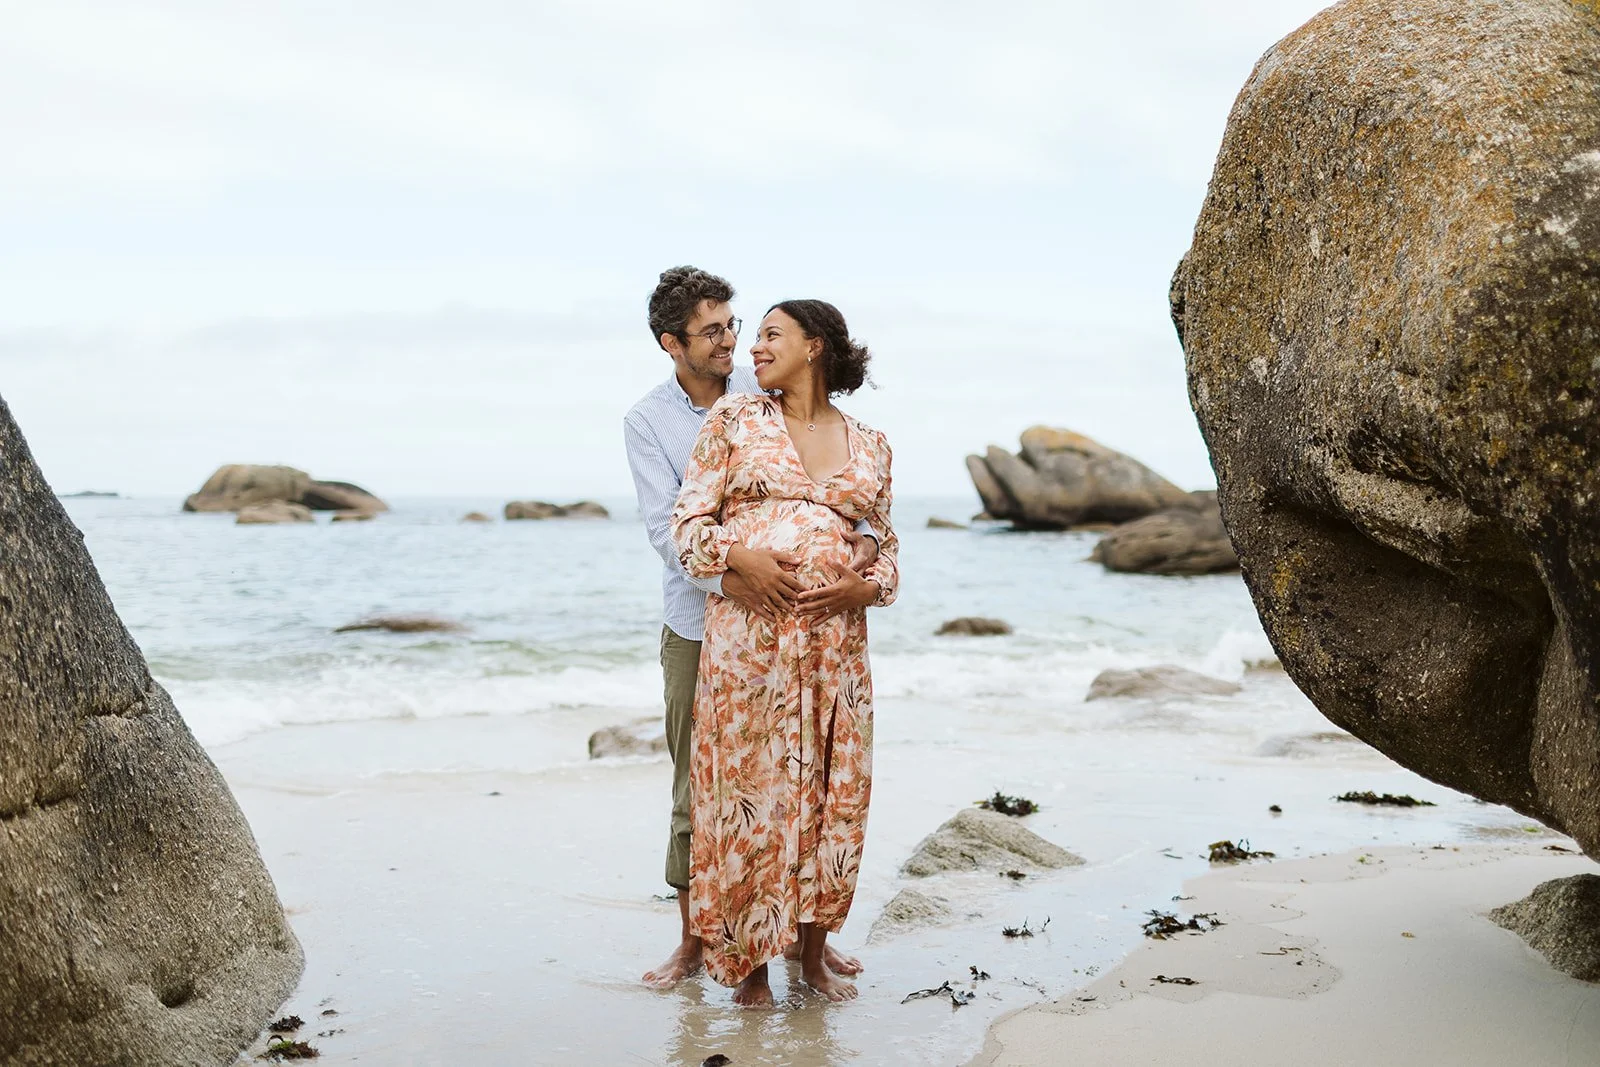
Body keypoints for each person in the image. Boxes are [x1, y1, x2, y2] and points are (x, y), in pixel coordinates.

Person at [623, 268, 876, 990]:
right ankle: (694, 942)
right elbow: (667, 528)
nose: (732, 342)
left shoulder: (765, 395)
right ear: (672, 344)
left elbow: (828, 492)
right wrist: (742, 577)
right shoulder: (649, 422)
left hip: (792, 631)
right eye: (712, 331)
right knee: (698, 791)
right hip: (700, 622)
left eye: (735, 326)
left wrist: (852, 556)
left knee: (799, 787)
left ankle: (804, 944)